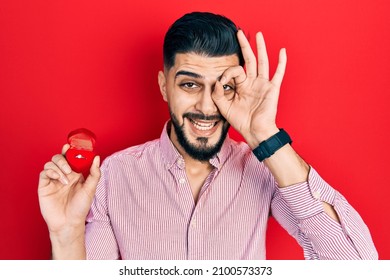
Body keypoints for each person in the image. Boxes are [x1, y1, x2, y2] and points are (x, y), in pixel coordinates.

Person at [38, 12, 378, 260]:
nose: (206, 105)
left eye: (224, 86)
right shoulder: (114, 176)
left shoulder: (263, 169)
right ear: (163, 87)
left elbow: (356, 265)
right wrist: (66, 234)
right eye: (189, 84)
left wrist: (265, 136)